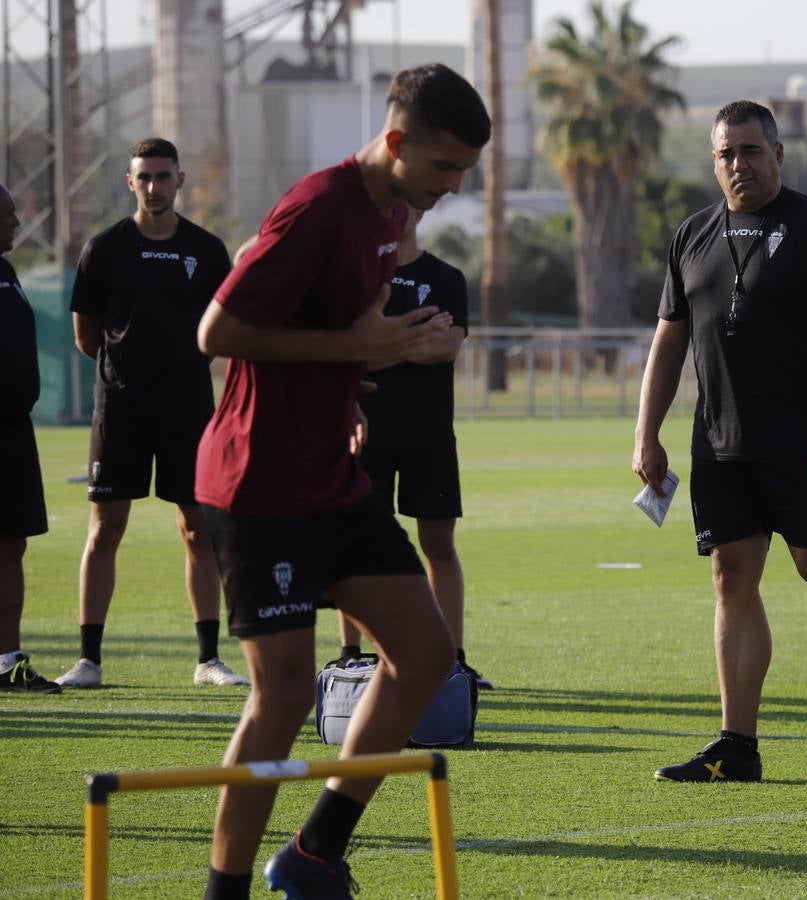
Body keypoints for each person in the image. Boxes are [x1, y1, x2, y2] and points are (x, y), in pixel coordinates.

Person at [194, 64, 489, 899]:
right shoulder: (320, 206)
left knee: (427, 652)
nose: (454, 186)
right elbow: (218, 330)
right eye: (443, 167)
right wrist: (369, 353)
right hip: (259, 484)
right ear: (395, 142)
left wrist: (352, 382)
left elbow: (331, 327)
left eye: (466, 171)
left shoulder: (394, 212)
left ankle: (314, 853)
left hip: (330, 472)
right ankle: (225, 890)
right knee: (283, 695)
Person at [633, 100, 807, 783]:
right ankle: (738, 745)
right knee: (731, 579)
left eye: (751, 151)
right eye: (726, 153)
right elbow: (669, 340)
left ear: (778, 154)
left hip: (803, 443)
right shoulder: (693, 234)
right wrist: (647, 434)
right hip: (719, 446)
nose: (739, 164)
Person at [56, 138, 244, 689]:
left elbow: (223, 329)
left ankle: (208, 659)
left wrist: (180, 372)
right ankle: (88, 659)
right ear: (130, 182)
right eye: (146, 178)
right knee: (105, 527)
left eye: (165, 177)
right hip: (120, 409)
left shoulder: (207, 251)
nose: (155, 188)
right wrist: (131, 374)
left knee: (198, 530)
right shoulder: (104, 249)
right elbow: (87, 337)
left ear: (180, 181)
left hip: (188, 411)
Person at [334, 206, 492, 689]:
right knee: (358, 546)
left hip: (428, 433)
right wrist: (414, 334)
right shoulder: (357, 276)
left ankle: (454, 659)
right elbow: (349, 348)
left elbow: (446, 348)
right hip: (364, 432)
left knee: (438, 545)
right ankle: (352, 656)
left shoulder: (446, 277)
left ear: (419, 209)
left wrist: (384, 342)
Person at [0, 182, 61, 694]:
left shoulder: (6, 271)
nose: (17, 222)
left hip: (14, 433)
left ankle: (7, 661)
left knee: (11, 545)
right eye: (8, 213)